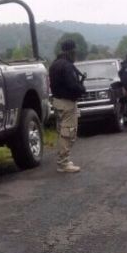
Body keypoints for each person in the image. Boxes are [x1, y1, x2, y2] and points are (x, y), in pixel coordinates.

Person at [49, 40, 86, 173]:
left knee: (63, 132)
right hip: (67, 103)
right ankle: (63, 163)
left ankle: (64, 160)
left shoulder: (55, 64)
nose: (76, 54)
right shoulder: (67, 66)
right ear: (71, 51)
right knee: (68, 133)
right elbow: (72, 84)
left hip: (58, 101)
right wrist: (82, 89)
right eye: (75, 51)